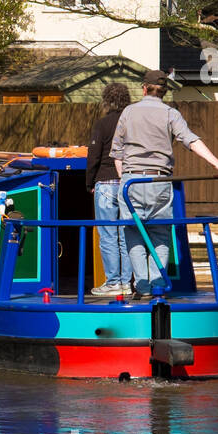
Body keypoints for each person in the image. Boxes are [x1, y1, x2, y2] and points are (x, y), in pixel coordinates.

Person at [112, 70, 218, 295]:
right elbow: (191, 140)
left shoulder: (128, 113)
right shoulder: (171, 113)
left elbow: (117, 153)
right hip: (160, 179)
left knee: (133, 233)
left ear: (143, 89)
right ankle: (158, 285)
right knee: (160, 234)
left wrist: (125, 180)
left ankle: (142, 286)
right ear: (165, 92)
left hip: (131, 180)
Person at [86, 83, 132, 296]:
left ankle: (113, 282)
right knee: (126, 235)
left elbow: (93, 156)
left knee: (107, 235)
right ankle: (127, 283)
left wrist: (89, 183)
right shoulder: (132, 122)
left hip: (105, 183)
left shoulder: (102, 124)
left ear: (106, 100)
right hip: (128, 184)